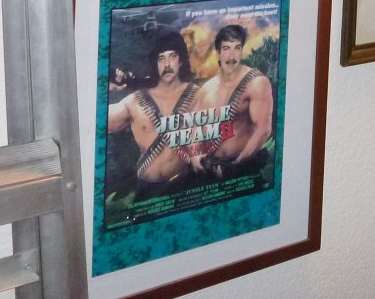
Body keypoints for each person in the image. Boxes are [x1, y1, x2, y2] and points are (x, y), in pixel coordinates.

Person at [106, 31, 199, 197]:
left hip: (183, 185)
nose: (167, 64)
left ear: (181, 60)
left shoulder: (198, 96)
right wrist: (106, 88)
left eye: (173, 56)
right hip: (147, 189)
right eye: (161, 58)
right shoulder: (136, 100)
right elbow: (100, 124)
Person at [191, 25, 275, 180]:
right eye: (226, 48)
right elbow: (196, 124)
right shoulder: (207, 88)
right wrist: (195, 155)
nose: (232, 56)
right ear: (218, 53)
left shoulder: (256, 82)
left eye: (237, 48)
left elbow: (263, 129)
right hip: (211, 168)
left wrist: (237, 164)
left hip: (243, 167)